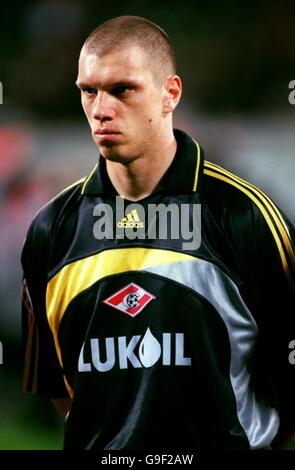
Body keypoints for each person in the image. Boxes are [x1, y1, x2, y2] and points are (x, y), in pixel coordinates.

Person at [21, 15, 295, 451]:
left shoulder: (246, 217)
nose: (100, 109)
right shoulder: (53, 229)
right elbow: (61, 388)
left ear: (170, 94)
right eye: (88, 91)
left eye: (122, 89)